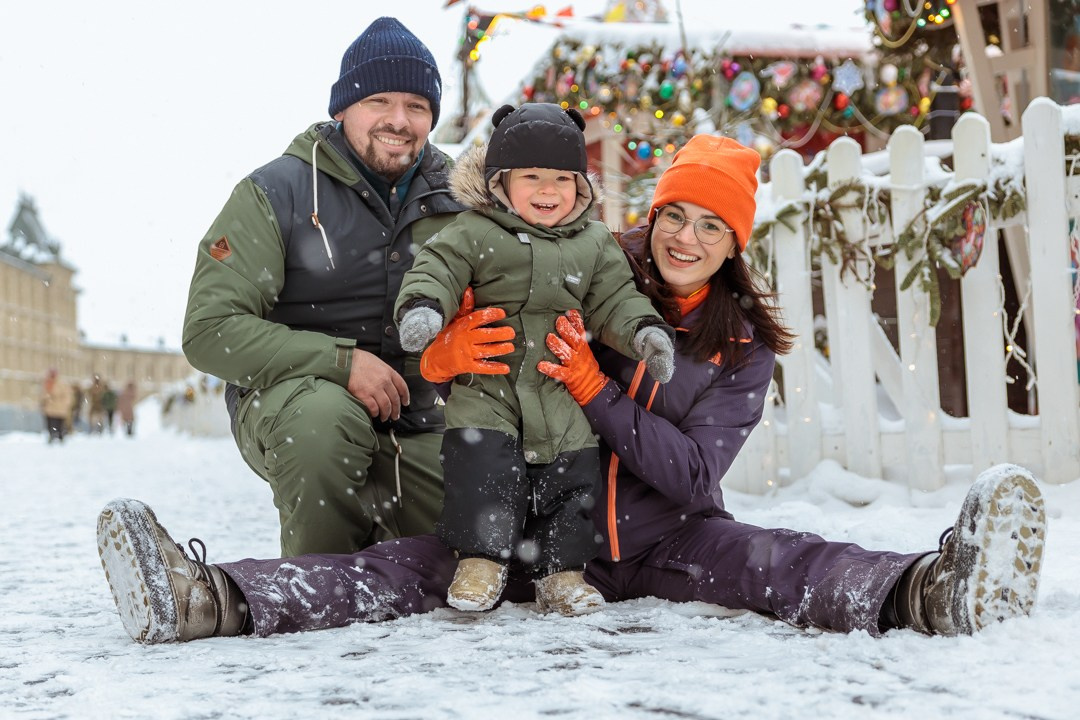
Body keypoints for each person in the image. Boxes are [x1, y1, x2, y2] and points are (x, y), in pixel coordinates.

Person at [97, 134, 1047, 644]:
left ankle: (931, 590)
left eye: (709, 226)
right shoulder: (586, 270)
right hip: (535, 524)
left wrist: (596, 391)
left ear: (735, 243)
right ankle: (204, 597)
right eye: (672, 215)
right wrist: (442, 357)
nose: (683, 238)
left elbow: (692, 474)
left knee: (778, 561)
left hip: (664, 536)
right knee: (389, 573)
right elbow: (477, 314)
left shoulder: (742, 348)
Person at [180, 17, 465, 556]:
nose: (399, 120)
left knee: (486, 538)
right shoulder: (275, 192)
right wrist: (341, 363)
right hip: (298, 407)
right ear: (342, 108)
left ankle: (383, 563)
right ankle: (302, 589)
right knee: (321, 426)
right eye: (379, 101)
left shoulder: (464, 200)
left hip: (426, 422)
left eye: (416, 105)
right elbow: (210, 331)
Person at [394, 103, 675, 615]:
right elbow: (437, 267)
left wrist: (644, 333)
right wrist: (426, 309)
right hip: (488, 386)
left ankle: (562, 575)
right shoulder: (473, 231)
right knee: (482, 471)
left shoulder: (594, 242)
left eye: (562, 179)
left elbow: (615, 297)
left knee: (572, 479)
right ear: (501, 182)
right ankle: (480, 562)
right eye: (532, 177)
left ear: (580, 185)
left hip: (558, 387)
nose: (549, 190)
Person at [40, 369, 74, 444]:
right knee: (50, 423)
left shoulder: (62, 384)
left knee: (59, 423)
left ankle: (60, 436)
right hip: (50, 407)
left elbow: (67, 396)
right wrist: (46, 399)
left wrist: (64, 404)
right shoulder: (47, 383)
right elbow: (43, 395)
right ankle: (52, 435)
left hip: (60, 408)